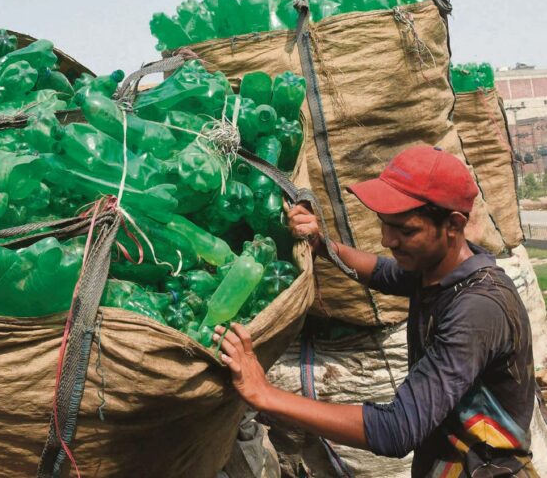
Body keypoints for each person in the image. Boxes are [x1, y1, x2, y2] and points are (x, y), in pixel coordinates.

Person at [213, 146, 537, 476]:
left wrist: (263, 393)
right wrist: (324, 245)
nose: (387, 240)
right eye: (384, 224)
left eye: (406, 230)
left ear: (454, 225)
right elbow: (383, 272)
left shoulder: (476, 311)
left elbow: (396, 429)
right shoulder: (438, 271)